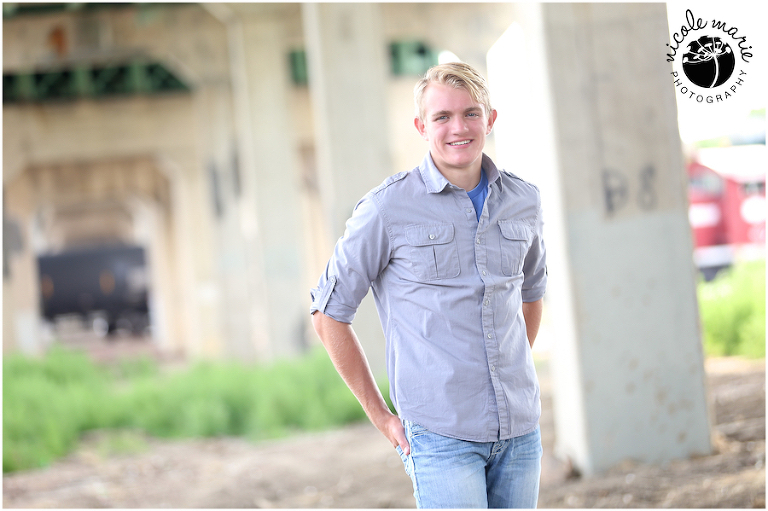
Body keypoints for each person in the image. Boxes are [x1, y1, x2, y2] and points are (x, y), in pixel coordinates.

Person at [310, 61, 547, 509]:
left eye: (471, 113)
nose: (459, 127)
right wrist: (381, 415)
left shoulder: (524, 200)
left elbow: (531, 293)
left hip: (519, 431)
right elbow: (328, 314)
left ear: (490, 119)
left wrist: (505, 372)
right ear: (422, 127)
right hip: (440, 436)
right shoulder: (386, 208)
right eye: (442, 117)